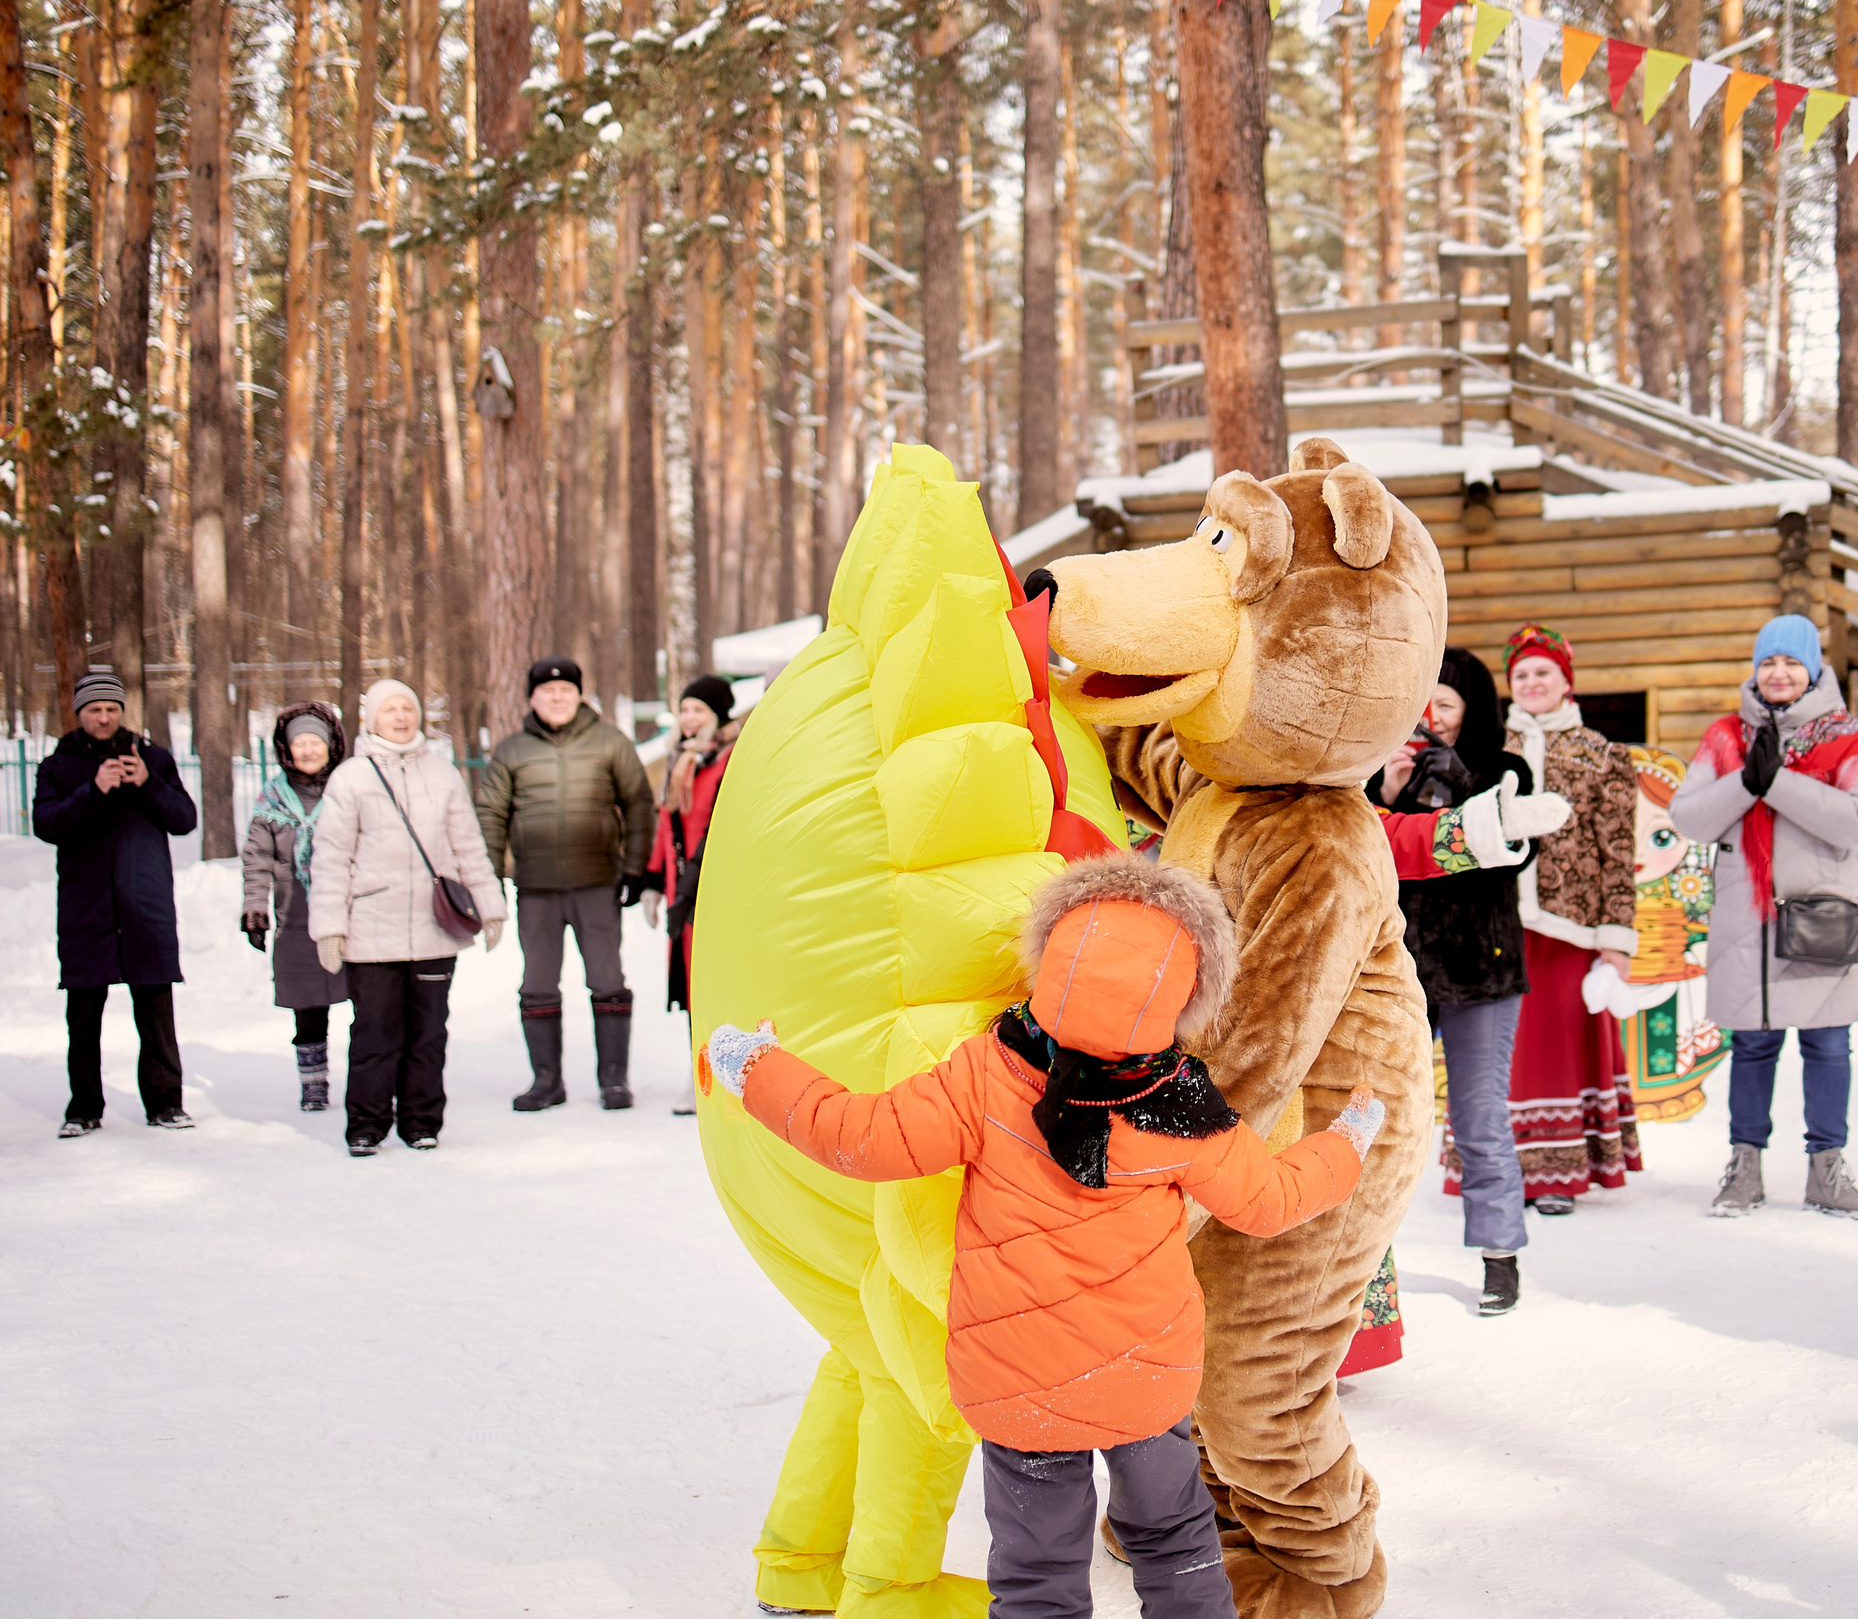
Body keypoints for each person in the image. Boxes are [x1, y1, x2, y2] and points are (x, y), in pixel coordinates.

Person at [703, 853, 1380, 1619]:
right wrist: (1347, 1141)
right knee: (1173, 1539)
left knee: (1036, 1569)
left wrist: (757, 1067)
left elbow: (860, 1136)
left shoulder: (987, 1072)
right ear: (1181, 994)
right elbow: (1270, 1200)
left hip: (1019, 1378)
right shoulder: (1183, 1107)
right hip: (1145, 1372)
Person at [1672, 614, 1858, 1221]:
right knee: (1753, 1045)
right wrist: (1746, 781)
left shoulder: (1844, 736)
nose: (1779, 673)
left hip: (1821, 912)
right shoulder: (1725, 737)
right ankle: (1745, 1168)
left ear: (1812, 670)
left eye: (1792, 662)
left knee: (1828, 1044)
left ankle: (1828, 1170)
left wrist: (1779, 783)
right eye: (1768, 662)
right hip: (1749, 919)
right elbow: (1688, 818)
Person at [1371, 648, 1540, 1316]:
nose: (1431, 715)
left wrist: (1462, 783)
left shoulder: (1506, 769)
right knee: (1378, 1114)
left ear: (1473, 709)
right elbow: (1359, 851)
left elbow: (1518, 854)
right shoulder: (1385, 766)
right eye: (1423, 701)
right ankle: (1362, 1259)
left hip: (1482, 969)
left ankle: (1500, 1254)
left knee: (1478, 1115)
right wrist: (1385, 794)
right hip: (1401, 971)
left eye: (1445, 703)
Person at [310, 679, 507, 1156]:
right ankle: (367, 1123)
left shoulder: (443, 775)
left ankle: (421, 1121)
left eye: (407, 708)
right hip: (371, 929)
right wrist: (330, 926)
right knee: (375, 1033)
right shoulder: (351, 778)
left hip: (434, 928)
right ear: (372, 719)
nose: (400, 717)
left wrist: (490, 906)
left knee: (428, 1034)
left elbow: (468, 847)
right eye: (389, 710)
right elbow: (332, 857)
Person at [1501, 624, 1640, 1214]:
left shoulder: (1601, 755)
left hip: (1570, 930)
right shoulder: (1491, 747)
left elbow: (1618, 855)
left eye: (1543, 672)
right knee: (1505, 1051)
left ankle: (1559, 1172)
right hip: (1501, 926)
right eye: (1522, 674)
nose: (1532, 683)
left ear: (1566, 681)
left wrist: (1616, 942)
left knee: (1557, 1049)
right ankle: (1500, 1166)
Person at [476, 656, 654, 1112]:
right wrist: (489, 879)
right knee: (537, 984)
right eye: (547, 691)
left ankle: (614, 1080)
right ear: (532, 698)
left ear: (579, 695)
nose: (557, 698)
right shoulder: (512, 751)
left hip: (597, 884)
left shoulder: (610, 742)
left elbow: (638, 804)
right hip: (537, 889)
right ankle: (546, 1081)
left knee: (608, 980)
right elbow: (491, 815)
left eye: (565, 690)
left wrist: (635, 868)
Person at [33, 668, 200, 1135]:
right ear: (79, 713)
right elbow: (46, 824)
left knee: (156, 1009)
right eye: (94, 710)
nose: (104, 718)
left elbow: (185, 819)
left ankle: (166, 1103)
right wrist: (94, 790)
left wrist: (147, 782)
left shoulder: (153, 758)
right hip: (86, 907)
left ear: (123, 711)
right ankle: (83, 1108)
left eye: (111, 709)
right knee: (84, 1013)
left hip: (145, 906)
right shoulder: (58, 765)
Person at [242, 703, 352, 1111]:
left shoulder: (349, 790)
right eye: (299, 743)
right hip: (296, 914)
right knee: (307, 1002)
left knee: (368, 997)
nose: (307, 750)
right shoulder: (272, 798)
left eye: (315, 742)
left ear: (330, 746)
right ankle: (314, 1082)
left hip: (350, 911)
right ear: (286, 749)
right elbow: (257, 858)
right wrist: (255, 909)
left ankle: (369, 1077)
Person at [645, 674, 740, 1116]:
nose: (689, 718)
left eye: (698, 710)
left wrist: (689, 888)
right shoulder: (679, 761)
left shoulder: (731, 758)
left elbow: (721, 827)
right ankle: (698, 1073)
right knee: (691, 986)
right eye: (684, 709)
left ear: (718, 715)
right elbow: (667, 827)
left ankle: (725, 1074)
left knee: (719, 982)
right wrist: (652, 879)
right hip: (680, 893)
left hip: (716, 891)